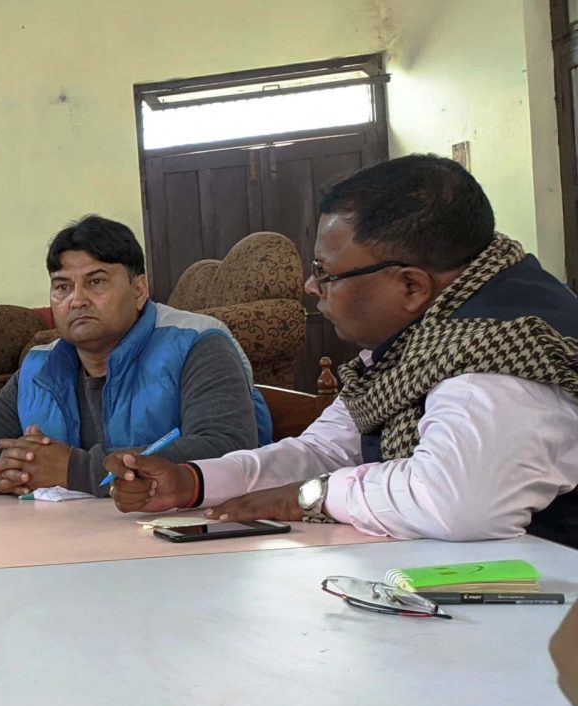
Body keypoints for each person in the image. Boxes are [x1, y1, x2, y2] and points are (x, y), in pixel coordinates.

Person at [106, 155, 578, 543]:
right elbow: (327, 449)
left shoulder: (501, 348)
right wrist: (194, 481)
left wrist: (308, 497)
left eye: (325, 272)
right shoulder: (422, 339)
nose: (311, 286)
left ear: (411, 286)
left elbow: (457, 502)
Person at [0, 215, 268, 497]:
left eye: (96, 282)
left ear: (139, 290)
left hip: (184, 535)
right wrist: (0, 470)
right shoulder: (40, 366)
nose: (76, 300)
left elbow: (226, 446)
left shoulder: (198, 343)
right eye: (62, 287)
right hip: (68, 537)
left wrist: (75, 470)